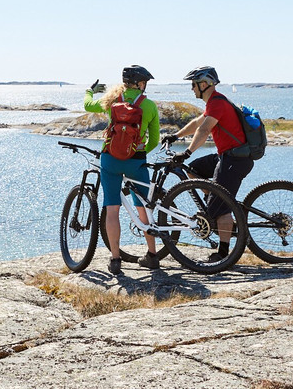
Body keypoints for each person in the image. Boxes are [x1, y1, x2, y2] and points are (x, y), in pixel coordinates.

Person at [163, 65, 254, 263]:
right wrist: (175, 135)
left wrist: (186, 152)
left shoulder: (218, 103)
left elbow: (204, 130)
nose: (192, 89)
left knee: (220, 206)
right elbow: (197, 123)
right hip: (225, 156)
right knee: (194, 169)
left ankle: (223, 253)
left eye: (194, 85)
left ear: (204, 84)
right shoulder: (214, 102)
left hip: (235, 160)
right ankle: (219, 204)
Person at [84, 65, 161, 274]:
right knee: (144, 207)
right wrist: (137, 151)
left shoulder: (111, 100)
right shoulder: (150, 106)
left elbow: (89, 106)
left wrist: (90, 91)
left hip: (110, 159)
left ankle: (115, 259)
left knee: (112, 209)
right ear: (140, 83)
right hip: (137, 161)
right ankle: (152, 255)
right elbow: (155, 139)